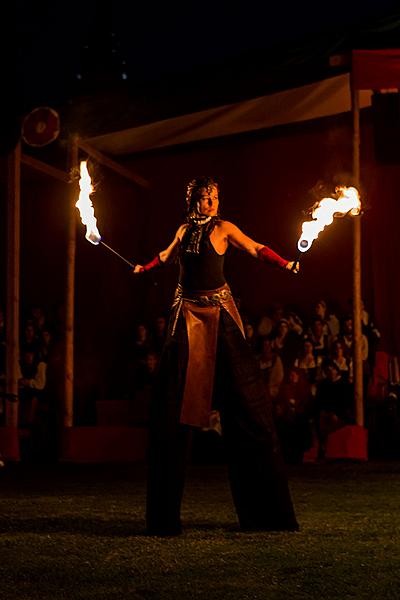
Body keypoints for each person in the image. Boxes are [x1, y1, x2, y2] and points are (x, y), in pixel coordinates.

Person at [133, 176, 299, 536]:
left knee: (247, 401)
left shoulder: (224, 228)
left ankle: (267, 515)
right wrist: (143, 269)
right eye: (203, 196)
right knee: (171, 407)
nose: (209, 202)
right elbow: (165, 256)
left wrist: (285, 264)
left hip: (220, 312)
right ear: (191, 199)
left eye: (213, 196)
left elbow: (255, 248)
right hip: (184, 314)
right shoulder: (182, 230)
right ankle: (163, 520)